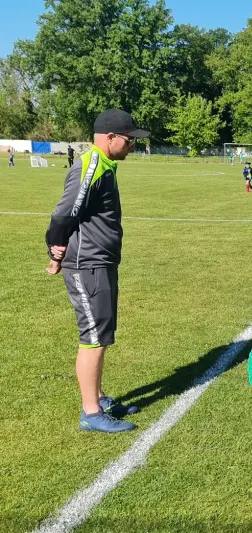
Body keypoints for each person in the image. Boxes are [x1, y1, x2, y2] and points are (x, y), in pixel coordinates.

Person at [45, 109, 150, 433]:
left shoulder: (105, 165)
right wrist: (54, 250)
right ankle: (91, 413)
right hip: (87, 266)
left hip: (101, 263)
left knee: (101, 335)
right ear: (110, 137)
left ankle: (98, 398)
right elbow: (63, 215)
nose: (132, 145)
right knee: (92, 337)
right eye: (129, 140)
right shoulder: (90, 166)